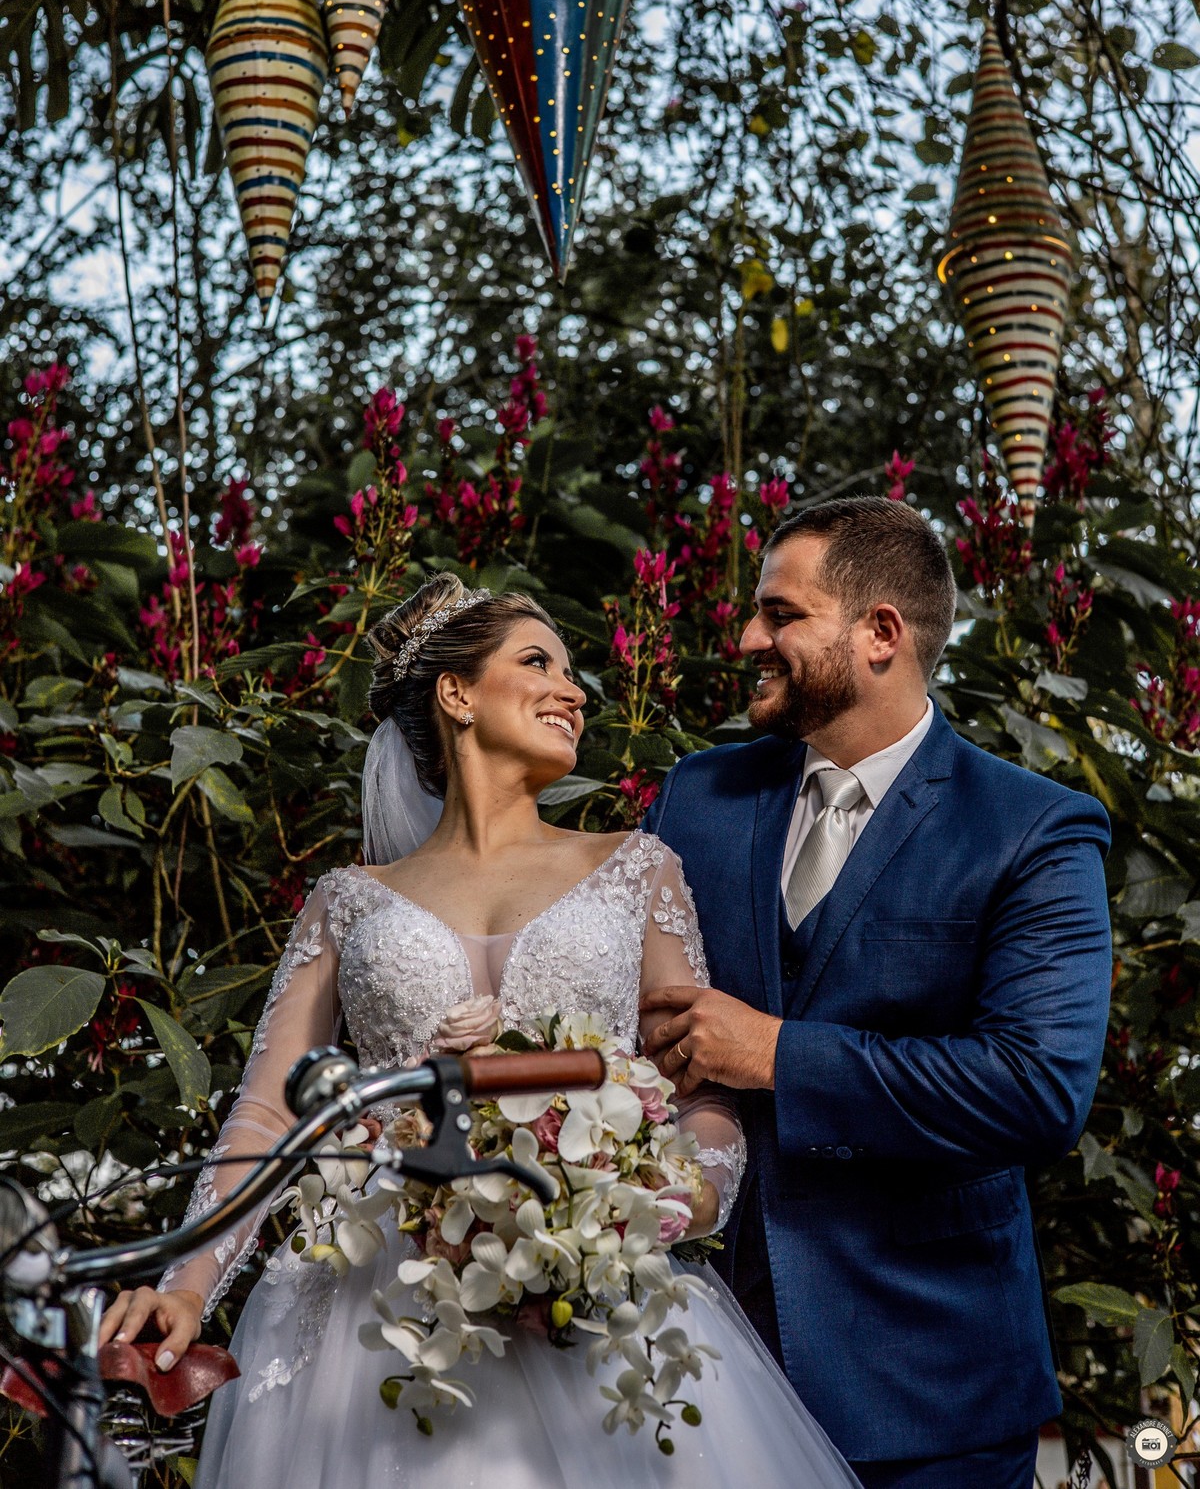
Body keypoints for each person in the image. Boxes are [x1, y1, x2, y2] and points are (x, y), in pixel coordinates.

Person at [98, 573, 861, 1489]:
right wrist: (186, 1286)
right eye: (539, 662)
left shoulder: (638, 869)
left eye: (574, 673)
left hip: (596, 1289)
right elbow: (268, 1116)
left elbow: (701, 1094)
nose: (573, 691)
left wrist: (671, 1201)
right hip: (379, 1303)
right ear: (456, 694)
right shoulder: (348, 901)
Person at [640, 497, 1113, 1489]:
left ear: (881, 633)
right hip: (703, 1372)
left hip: (933, 1386)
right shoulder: (698, 797)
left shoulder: (1032, 830)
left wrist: (776, 1054)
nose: (749, 637)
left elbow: (1035, 1088)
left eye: (781, 614)